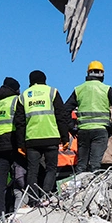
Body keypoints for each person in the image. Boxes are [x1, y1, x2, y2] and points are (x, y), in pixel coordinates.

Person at [12, 70, 71, 199]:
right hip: (51, 138)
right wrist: (65, 138)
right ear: (45, 79)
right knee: (51, 168)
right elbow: (61, 116)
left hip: (32, 140)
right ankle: (46, 195)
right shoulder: (52, 92)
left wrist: (20, 144)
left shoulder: (24, 96)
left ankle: (34, 199)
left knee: (32, 171)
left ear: (30, 81)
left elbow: (20, 123)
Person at [66, 61, 112, 172]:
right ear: (102, 74)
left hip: (83, 131)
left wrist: (71, 127)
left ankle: (79, 188)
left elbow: (65, 109)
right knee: (95, 165)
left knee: (81, 165)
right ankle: (94, 188)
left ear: (88, 73)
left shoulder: (79, 89)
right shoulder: (106, 89)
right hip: (100, 131)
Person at [0, 76, 22, 217]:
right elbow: (20, 124)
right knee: (19, 176)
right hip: (13, 143)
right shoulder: (16, 101)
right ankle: (16, 209)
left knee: (0, 182)